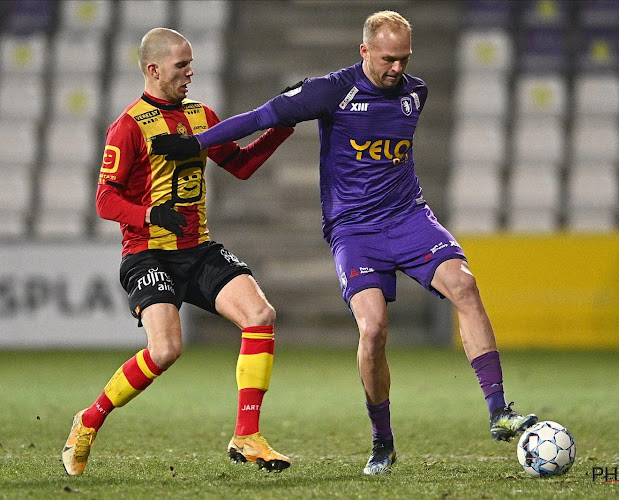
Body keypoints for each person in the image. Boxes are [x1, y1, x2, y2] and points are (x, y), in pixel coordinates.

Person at [153, 11, 537, 475]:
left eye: (404, 59)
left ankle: (498, 411)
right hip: (353, 229)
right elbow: (260, 116)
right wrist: (197, 143)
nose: (398, 69)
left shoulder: (417, 93)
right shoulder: (332, 90)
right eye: (388, 59)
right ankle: (383, 442)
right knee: (373, 330)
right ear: (364, 51)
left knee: (465, 285)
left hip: (407, 216)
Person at [62, 28, 295, 476]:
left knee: (260, 315)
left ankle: (247, 435)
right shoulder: (128, 126)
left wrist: (281, 126)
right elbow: (104, 200)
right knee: (166, 350)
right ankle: (88, 421)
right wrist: (150, 215)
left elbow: (241, 165)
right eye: (181, 65)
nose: (191, 72)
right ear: (153, 70)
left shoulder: (201, 115)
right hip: (148, 254)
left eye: (191, 63)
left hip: (198, 248)